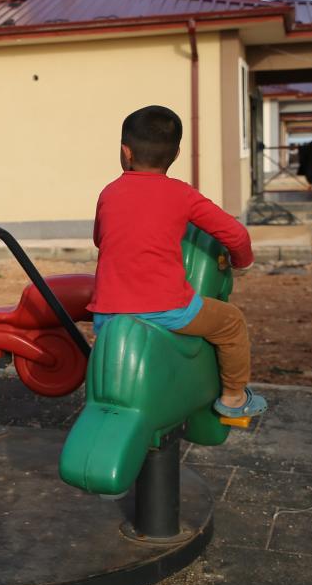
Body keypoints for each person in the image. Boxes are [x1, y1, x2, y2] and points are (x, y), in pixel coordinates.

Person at [89, 105, 268, 418]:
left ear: (125, 152)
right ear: (176, 154)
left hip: (107, 315)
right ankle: (234, 398)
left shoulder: (109, 193)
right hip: (169, 310)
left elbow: (98, 239)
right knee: (231, 323)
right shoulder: (182, 195)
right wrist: (243, 262)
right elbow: (236, 235)